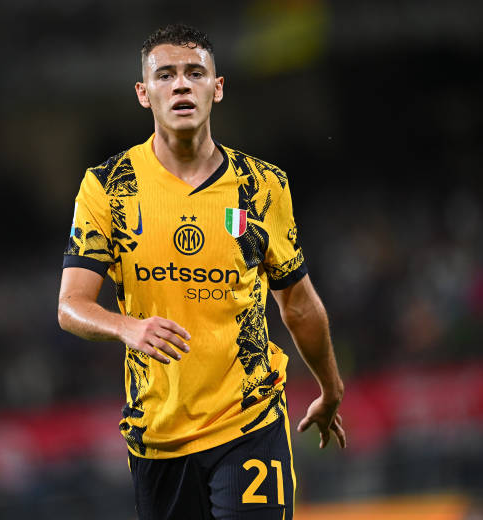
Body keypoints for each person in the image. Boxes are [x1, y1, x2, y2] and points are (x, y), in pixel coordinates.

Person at [58, 23, 345, 520]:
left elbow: (298, 304)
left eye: (195, 73)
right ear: (143, 94)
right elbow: (70, 306)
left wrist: (331, 388)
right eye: (165, 75)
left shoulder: (261, 186)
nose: (181, 85)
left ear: (218, 87)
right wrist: (127, 327)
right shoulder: (108, 187)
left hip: (248, 421)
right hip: (158, 435)